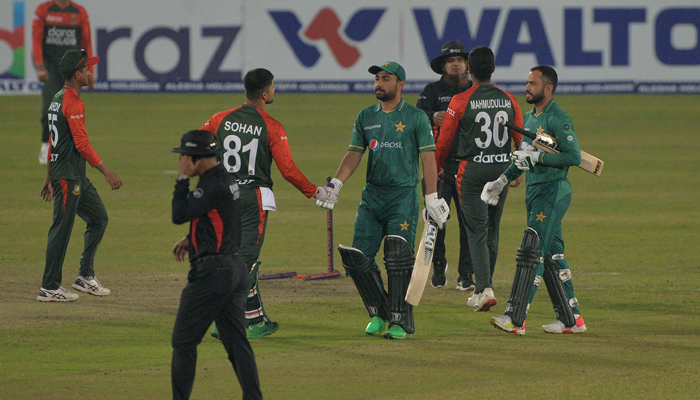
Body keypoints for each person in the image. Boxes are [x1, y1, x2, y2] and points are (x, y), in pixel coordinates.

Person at [316, 61, 449, 340]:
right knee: (357, 259)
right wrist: (335, 184)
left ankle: (401, 321)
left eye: (385, 79)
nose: (379, 83)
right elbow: (354, 154)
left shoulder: (415, 117)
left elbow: (428, 159)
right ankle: (378, 313)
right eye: (377, 78)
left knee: (397, 259)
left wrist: (432, 197)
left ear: (400, 84)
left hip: (402, 196)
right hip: (372, 196)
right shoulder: (366, 116)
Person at [199, 68, 332, 339]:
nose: (274, 91)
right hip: (251, 198)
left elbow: (198, 145)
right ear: (264, 93)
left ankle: (227, 320)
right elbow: (289, 171)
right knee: (246, 261)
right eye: (272, 87)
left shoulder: (219, 119)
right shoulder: (271, 126)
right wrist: (316, 192)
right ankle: (245, 323)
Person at [486, 65, 587, 335]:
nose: (527, 87)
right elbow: (522, 158)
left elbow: (574, 157)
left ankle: (515, 318)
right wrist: (502, 181)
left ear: (548, 88)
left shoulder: (558, 118)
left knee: (532, 249)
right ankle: (571, 320)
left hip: (553, 192)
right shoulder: (530, 119)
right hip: (536, 192)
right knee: (552, 256)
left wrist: (539, 157)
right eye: (527, 82)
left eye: (533, 83)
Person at [169, 130, 262, 400]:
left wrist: (180, 179)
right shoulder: (226, 179)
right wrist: (192, 238)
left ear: (195, 159)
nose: (182, 162)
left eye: (184, 158)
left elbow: (179, 214)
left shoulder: (210, 184)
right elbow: (224, 218)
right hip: (234, 270)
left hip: (212, 275)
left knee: (183, 342)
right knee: (237, 345)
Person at [435, 46, 523, 312]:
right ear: (494, 68)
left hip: (472, 172)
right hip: (501, 170)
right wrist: (516, 171)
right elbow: (519, 139)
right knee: (492, 230)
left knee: (476, 230)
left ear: (470, 70)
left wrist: (439, 166)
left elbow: (444, 140)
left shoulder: (460, 101)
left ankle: (484, 289)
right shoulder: (509, 100)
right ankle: (485, 287)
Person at [38, 49, 122, 302]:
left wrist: (48, 175)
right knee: (61, 229)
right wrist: (107, 172)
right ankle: (49, 287)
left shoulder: (58, 97)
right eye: (86, 69)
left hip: (72, 174)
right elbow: (81, 143)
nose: (89, 73)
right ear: (77, 73)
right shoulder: (72, 102)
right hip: (68, 177)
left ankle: (85, 276)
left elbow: (55, 140)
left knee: (99, 218)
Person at [417, 40, 474, 291]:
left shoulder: (475, 90)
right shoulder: (431, 91)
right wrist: (431, 117)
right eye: (450, 61)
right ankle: (438, 265)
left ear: (467, 65)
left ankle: (466, 274)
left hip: (469, 166)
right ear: (443, 65)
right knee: (436, 221)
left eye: (460, 60)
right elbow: (416, 122)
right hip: (438, 168)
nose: (455, 64)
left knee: (469, 224)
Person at [33, 0, 95, 165]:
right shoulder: (44, 10)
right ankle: (46, 144)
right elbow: (36, 39)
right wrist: (40, 66)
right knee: (49, 108)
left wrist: (90, 71)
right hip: (51, 67)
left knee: (71, 110)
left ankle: (68, 148)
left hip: (72, 68)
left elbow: (86, 42)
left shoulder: (79, 11)